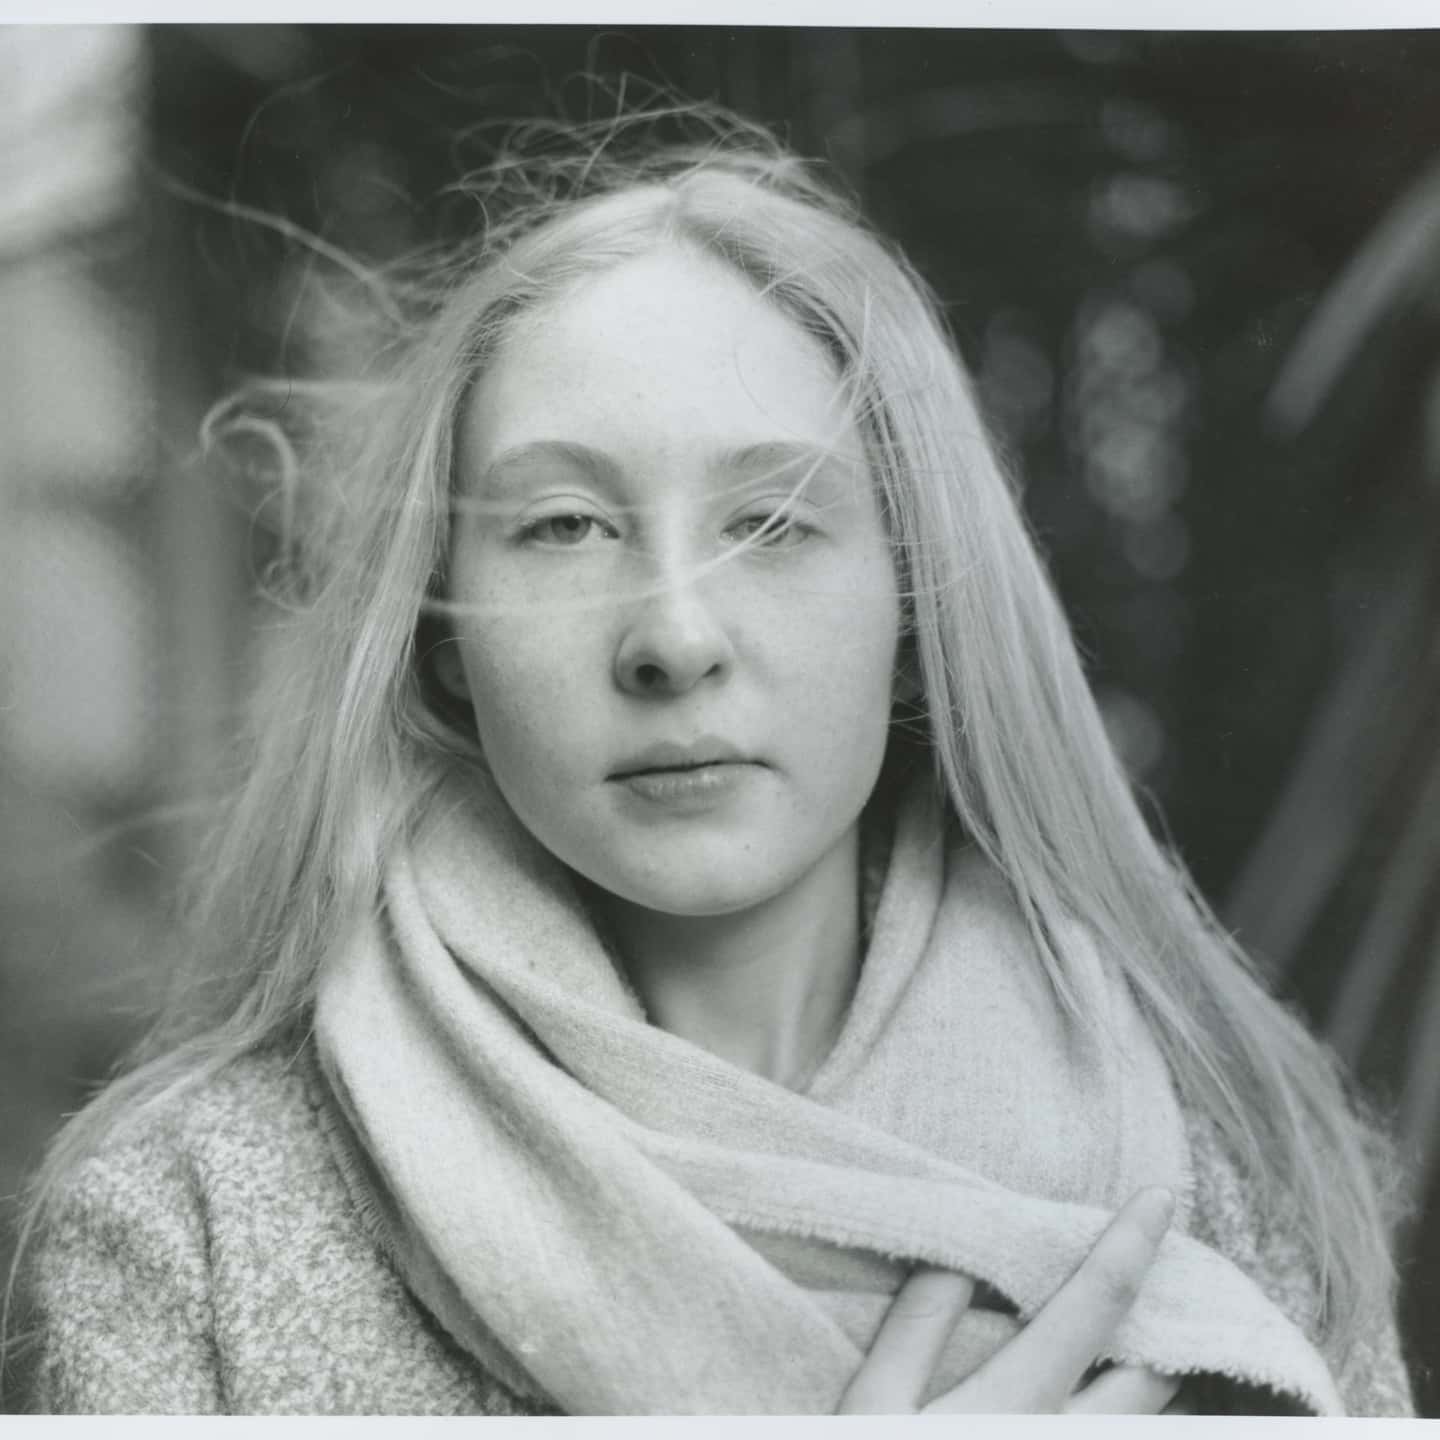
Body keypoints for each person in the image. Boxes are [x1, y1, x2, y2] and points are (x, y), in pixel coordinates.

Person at [11, 107, 1414, 1416]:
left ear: (917, 611)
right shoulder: (183, 1224)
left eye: (775, 522)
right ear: (441, 639)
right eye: (563, 526)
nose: (675, 638)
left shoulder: (1236, 1160)